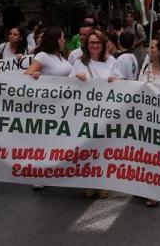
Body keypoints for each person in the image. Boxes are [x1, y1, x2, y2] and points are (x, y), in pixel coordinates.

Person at [70, 29, 119, 199]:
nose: (95, 45)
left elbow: (123, 82)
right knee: (88, 148)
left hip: (107, 112)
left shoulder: (112, 61)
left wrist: (116, 81)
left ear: (104, 44)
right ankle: (88, 182)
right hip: (86, 112)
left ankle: (103, 182)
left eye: (98, 42)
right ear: (86, 45)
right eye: (92, 42)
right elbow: (69, 84)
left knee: (104, 148)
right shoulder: (79, 62)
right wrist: (77, 76)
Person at [24, 27, 72, 191]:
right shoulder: (42, 56)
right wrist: (34, 76)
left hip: (63, 106)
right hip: (47, 106)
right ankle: (37, 175)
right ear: (56, 39)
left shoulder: (62, 57)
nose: (65, 40)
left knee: (57, 140)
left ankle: (53, 171)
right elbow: (27, 75)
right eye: (63, 37)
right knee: (43, 141)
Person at [134, 35, 160, 207]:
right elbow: (136, 89)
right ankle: (141, 186)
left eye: (152, 48)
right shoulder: (145, 70)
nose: (149, 50)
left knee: (157, 156)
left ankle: (155, 190)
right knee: (143, 155)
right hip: (144, 119)